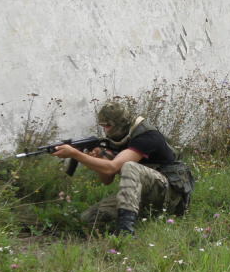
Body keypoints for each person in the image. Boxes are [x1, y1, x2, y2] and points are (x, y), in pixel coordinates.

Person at [50, 100, 194, 237]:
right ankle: (143, 218)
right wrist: (100, 157)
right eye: (103, 126)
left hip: (169, 194)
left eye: (109, 126)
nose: (106, 131)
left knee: (129, 166)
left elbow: (112, 168)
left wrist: (75, 154)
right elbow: (107, 179)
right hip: (143, 196)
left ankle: (126, 230)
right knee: (89, 218)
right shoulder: (121, 138)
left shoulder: (147, 136)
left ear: (120, 123)